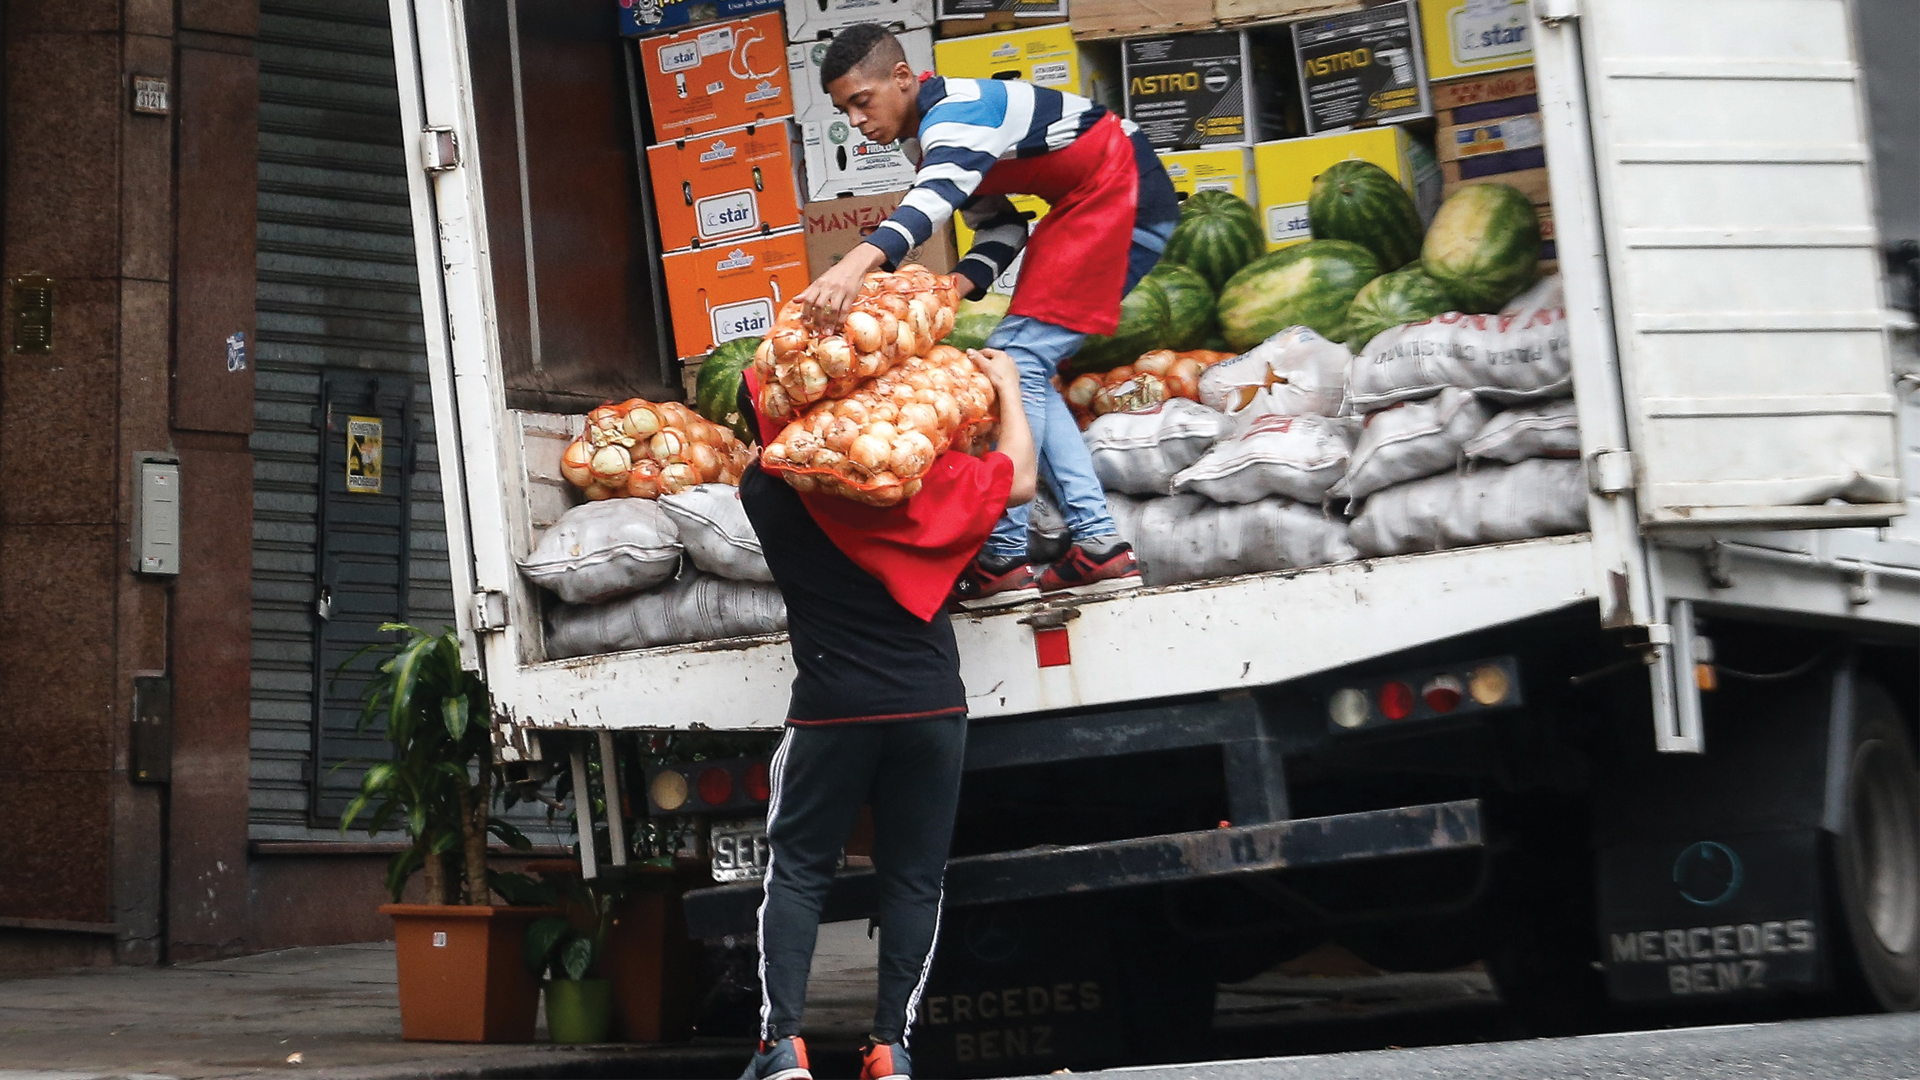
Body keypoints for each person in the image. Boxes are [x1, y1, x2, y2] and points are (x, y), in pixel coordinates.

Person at [795, 23, 1180, 606]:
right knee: (1022, 365)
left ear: (903, 78)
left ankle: (1003, 558)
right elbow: (1002, 226)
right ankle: (1099, 547)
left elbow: (931, 201)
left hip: (1120, 194)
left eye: (861, 102)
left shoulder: (957, 116)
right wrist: (956, 285)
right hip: (1086, 203)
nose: (855, 122)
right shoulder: (922, 137)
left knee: (1015, 363)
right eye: (844, 110)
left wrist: (854, 266)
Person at [733, 348, 1038, 1080]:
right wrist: (1004, 388)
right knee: (914, 878)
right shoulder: (920, 482)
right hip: (931, 704)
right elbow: (1021, 477)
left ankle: (785, 1048)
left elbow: (783, 454)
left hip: (832, 713)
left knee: (800, 871)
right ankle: (890, 1050)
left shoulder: (765, 489)